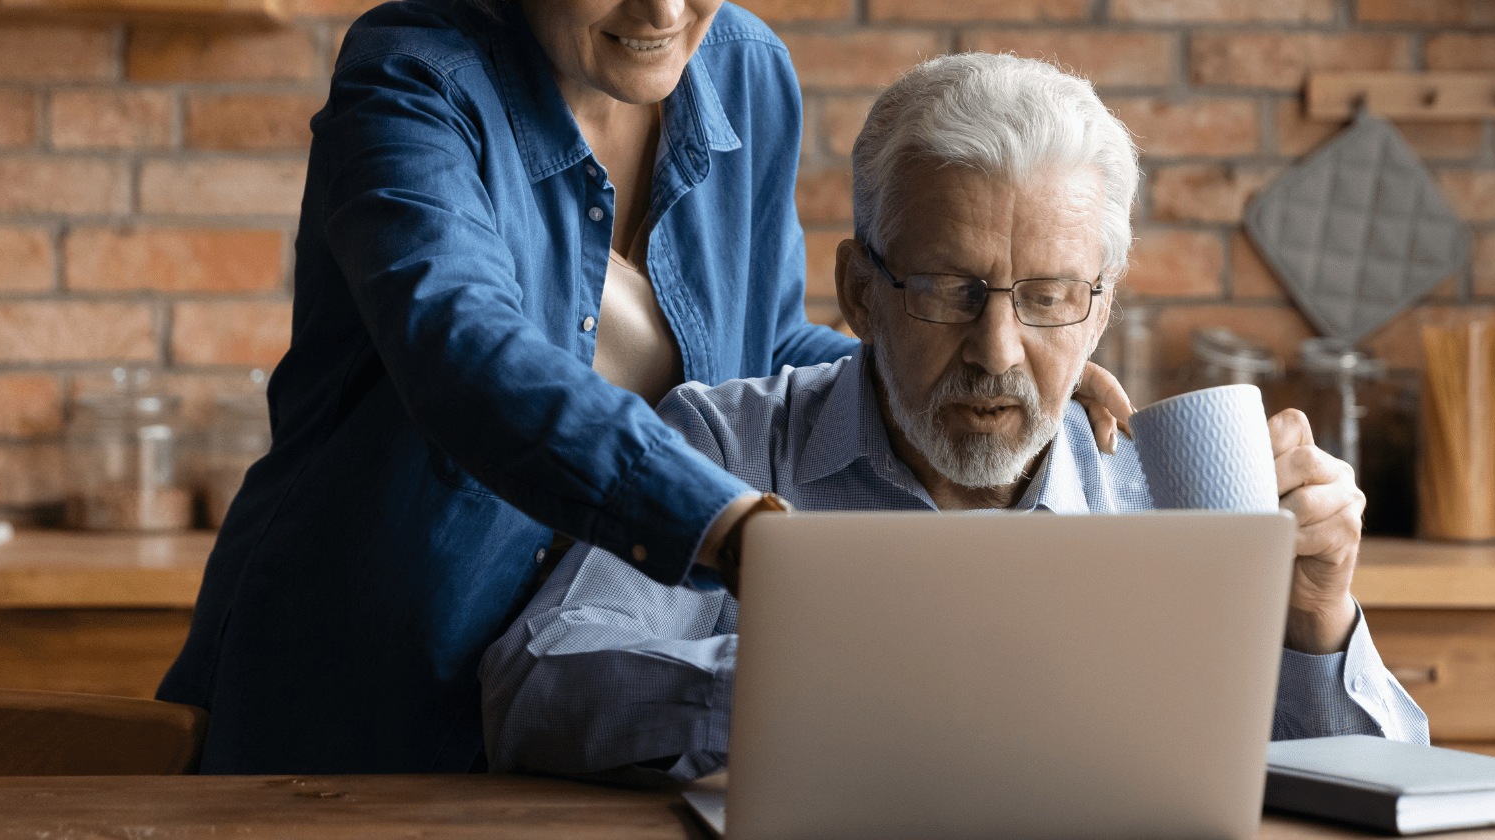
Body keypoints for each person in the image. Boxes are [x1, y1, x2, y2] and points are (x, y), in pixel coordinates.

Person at [157, 0, 1124, 774]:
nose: (665, 2)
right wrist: (728, 524)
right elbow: (463, 354)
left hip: (585, 711)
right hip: (365, 692)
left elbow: (762, 341)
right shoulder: (413, 87)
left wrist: (967, 350)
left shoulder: (748, 76)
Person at [479, 54, 1430, 782]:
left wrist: (1317, 620)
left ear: (1101, 308)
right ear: (861, 290)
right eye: (949, 290)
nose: (998, 351)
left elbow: (1386, 785)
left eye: (1051, 297)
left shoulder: (1172, 486)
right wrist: (828, 693)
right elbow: (536, 685)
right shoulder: (727, 443)